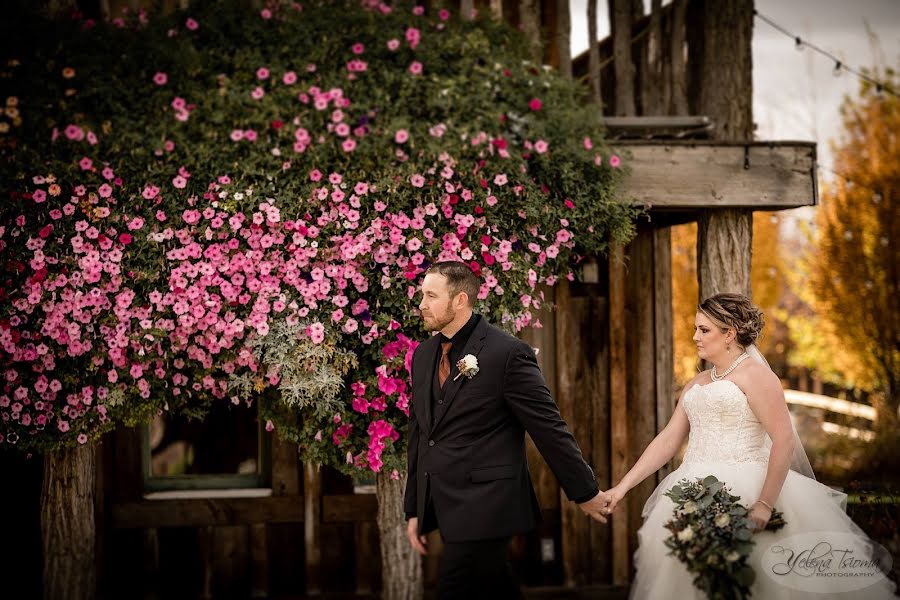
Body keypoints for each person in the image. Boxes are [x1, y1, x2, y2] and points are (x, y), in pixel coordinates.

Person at [606, 293, 897, 599]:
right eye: (696, 329)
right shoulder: (697, 383)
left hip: (749, 493)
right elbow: (667, 440)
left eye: (704, 330)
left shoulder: (757, 376)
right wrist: (622, 488)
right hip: (692, 493)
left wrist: (765, 504)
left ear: (729, 333)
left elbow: (783, 439)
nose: (695, 337)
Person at [404, 261, 611, 599]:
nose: (422, 304)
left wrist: (584, 492)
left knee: (454, 588)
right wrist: (415, 508)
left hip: (489, 503)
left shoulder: (508, 353)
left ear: (460, 301)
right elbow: (420, 433)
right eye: (422, 295)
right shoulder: (423, 355)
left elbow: (548, 428)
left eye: (431, 296)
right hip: (445, 501)